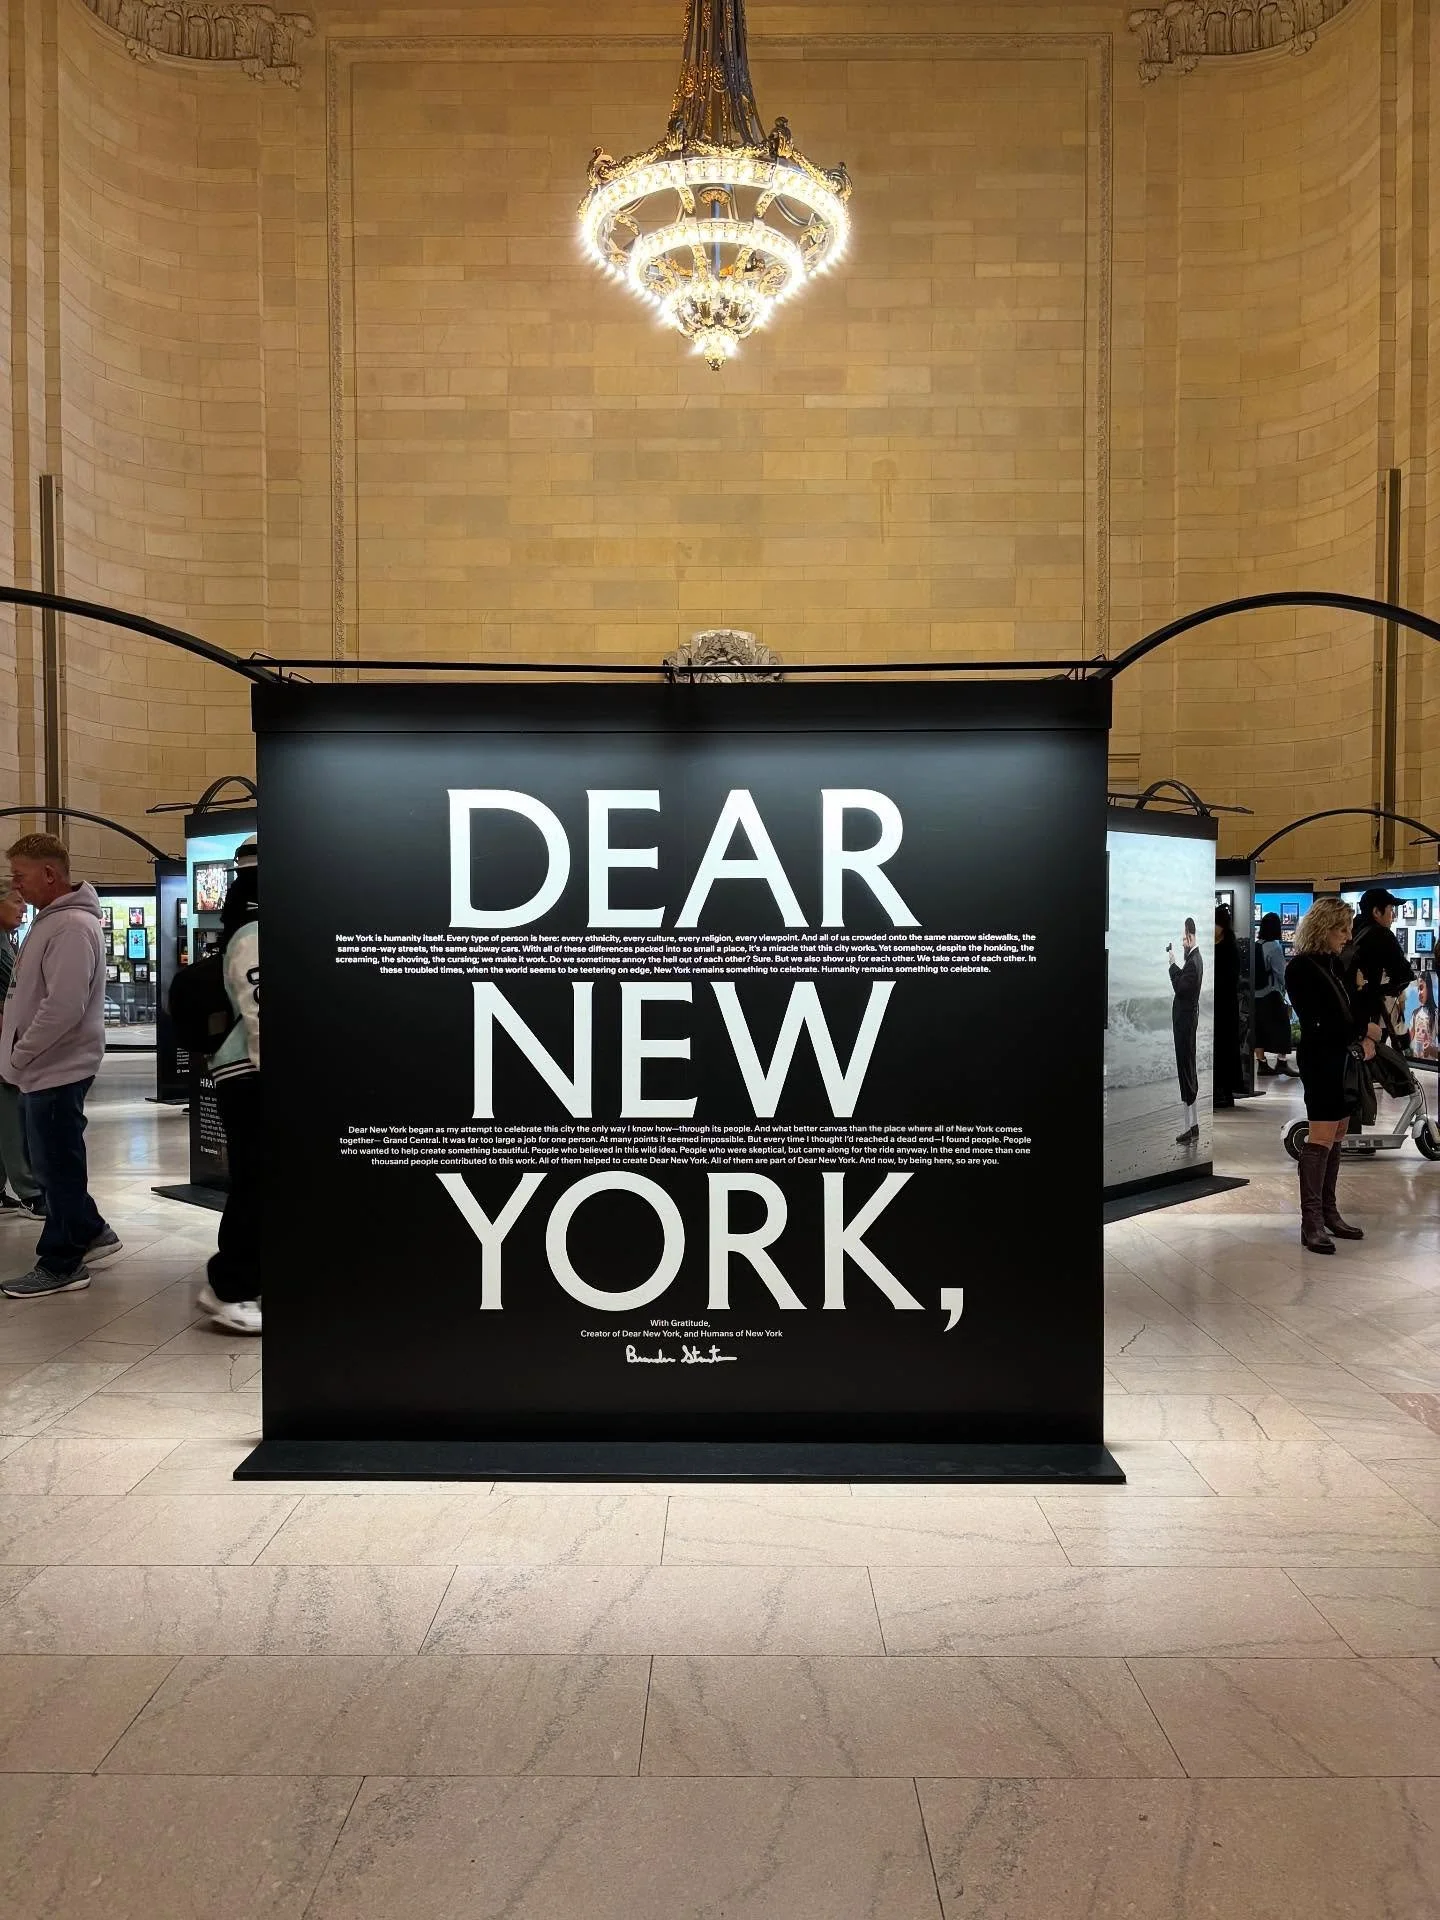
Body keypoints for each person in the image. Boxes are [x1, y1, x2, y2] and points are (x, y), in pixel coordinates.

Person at [0, 835, 123, 1296]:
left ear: (49, 874)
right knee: (54, 1159)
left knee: (55, 1167)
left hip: (56, 1066)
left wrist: (20, 1052)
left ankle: (62, 1262)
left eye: (20, 875)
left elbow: (64, 1007)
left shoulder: (70, 926)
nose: (16, 885)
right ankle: (90, 1230)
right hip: (43, 1067)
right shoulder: (53, 921)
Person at [1286, 897, 1377, 1254]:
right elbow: (1323, 1022)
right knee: (1322, 1137)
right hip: (1321, 1060)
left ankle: (1328, 1212)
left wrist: (1361, 1022)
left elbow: (1348, 1011)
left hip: (1340, 1058)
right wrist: (1363, 1030)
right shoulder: (1301, 968)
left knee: (1337, 1133)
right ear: (1324, 928)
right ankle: (1311, 1222)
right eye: (1342, 929)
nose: (1347, 936)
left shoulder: (1333, 965)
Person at [196, 838, 261, 1334]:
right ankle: (230, 1289)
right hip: (249, 1074)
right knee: (256, 1182)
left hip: (245, 1072)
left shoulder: (244, 925)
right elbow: (260, 1012)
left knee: (258, 1180)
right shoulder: (255, 933)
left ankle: (242, 1282)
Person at [0, 886, 45, 1221]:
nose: (23, 908)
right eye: (15, 901)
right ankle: (30, 1192)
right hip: (3, 1043)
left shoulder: (7, 940)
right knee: (11, 1115)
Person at [1347, 887, 1414, 1035]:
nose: (1393, 915)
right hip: (1368, 1014)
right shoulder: (1382, 934)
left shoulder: (1351, 928)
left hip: (1345, 1010)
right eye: (1391, 909)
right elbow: (1404, 974)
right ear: (1377, 912)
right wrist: (1382, 989)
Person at [1168, 916, 1203, 1145]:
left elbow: (1180, 988)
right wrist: (1176, 965)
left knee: (1185, 1072)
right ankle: (1194, 1124)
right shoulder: (1195, 960)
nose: (1182, 943)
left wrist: (1172, 966)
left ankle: (1188, 1128)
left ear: (1190, 937)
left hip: (1185, 1024)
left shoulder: (1192, 962)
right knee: (1189, 1069)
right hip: (1188, 1022)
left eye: (1183, 939)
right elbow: (1186, 984)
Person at [1253, 910, 1296, 1076]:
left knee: (1258, 1029)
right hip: (1271, 993)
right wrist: (1285, 989)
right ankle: (1282, 1062)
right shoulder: (1274, 946)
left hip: (1256, 995)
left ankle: (1262, 1063)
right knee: (1283, 1026)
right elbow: (1280, 972)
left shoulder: (1256, 944)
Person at [1213, 901, 1241, 1110]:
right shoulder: (1213, 946)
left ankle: (1225, 1090)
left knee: (1225, 1046)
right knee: (1217, 1046)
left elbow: (1231, 977)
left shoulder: (1229, 947)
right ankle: (1218, 1090)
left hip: (1225, 1004)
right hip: (1215, 1003)